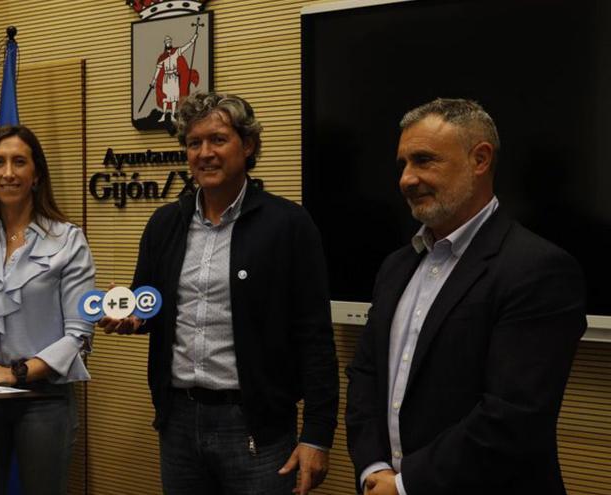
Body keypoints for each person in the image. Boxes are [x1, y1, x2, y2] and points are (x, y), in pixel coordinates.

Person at [345, 98, 587, 495]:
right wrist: (372, 467)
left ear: (480, 159)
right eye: (403, 164)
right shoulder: (396, 266)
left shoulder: (537, 269)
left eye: (423, 160)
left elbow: (514, 416)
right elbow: (366, 375)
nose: (406, 179)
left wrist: (406, 485)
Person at [102, 92, 339, 495]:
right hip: (178, 422)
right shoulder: (165, 223)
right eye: (194, 143)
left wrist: (317, 434)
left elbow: (315, 336)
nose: (204, 153)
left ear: (247, 146)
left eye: (218, 140)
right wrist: (132, 317)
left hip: (255, 428)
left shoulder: (289, 225)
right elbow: (149, 303)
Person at [0, 125, 96, 495]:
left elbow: (78, 336)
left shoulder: (68, 241)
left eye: (19, 162)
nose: (8, 172)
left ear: (36, 173)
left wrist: (14, 373)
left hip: (42, 400)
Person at [150, 33, 199, 122]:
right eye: (167, 42)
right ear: (165, 43)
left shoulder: (175, 53)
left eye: (169, 41)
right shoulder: (162, 57)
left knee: (174, 98)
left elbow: (185, 47)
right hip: (166, 78)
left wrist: (193, 39)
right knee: (165, 97)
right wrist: (153, 80)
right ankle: (164, 115)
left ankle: (172, 115)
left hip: (174, 78)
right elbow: (158, 69)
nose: (168, 43)